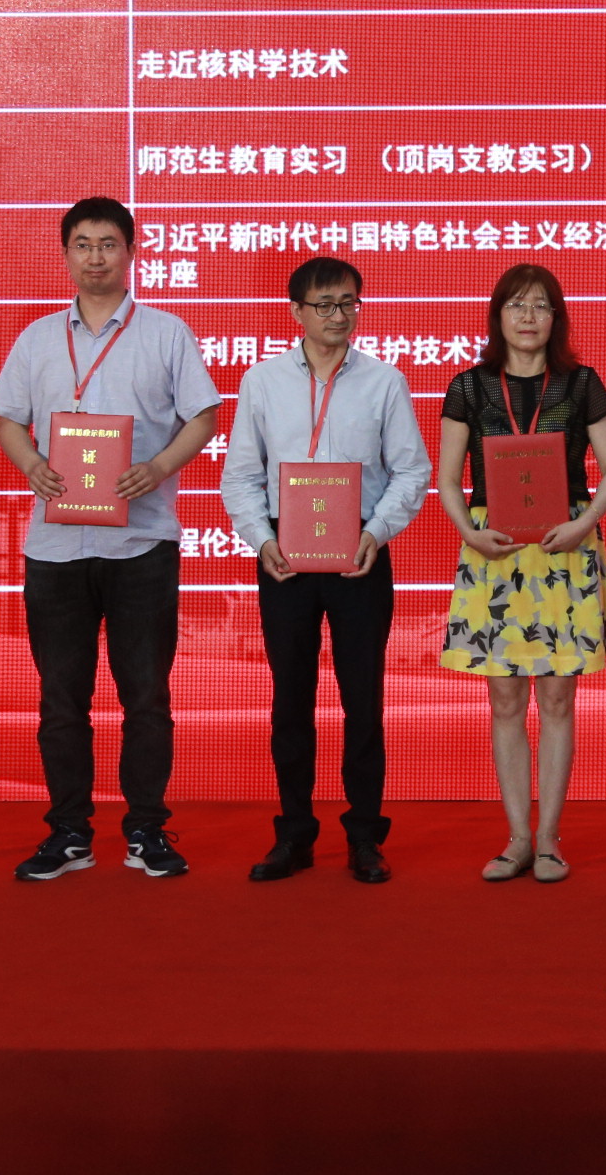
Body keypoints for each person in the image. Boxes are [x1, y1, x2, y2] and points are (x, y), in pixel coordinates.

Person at [0, 197, 221, 883]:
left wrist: (159, 468)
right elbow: (7, 420)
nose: (96, 256)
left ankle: (146, 828)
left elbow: (204, 416)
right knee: (62, 700)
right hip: (55, 549)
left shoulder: (166, 333)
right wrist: (32, 465)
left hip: (141, 544)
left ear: (130, 252)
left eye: (108, 243)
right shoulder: (36, 338)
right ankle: (68, 833)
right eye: (83, 244)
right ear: (66, 255)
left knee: (146, 697)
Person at [219, 255, 430, 885]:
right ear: (297, 312)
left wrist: (374, 533)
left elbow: (412, 471)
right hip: (285, 557)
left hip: (360, 555)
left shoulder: (384, 382)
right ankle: (294, 834)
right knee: (291, 699)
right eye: (325, 305)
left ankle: (364, 836)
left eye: (348, 303)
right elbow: (241, 475)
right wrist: (261, 540)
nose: (339, 316)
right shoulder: (262, 382)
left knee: (363, 699)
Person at [435, 264, 606, 883]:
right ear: (498, 316)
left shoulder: (580, 383)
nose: (527, 317)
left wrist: (582, 524)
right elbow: (448, 478)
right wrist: (469, 533)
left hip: (564, 546)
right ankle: (516, 837)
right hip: (494, 549)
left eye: (541, 306)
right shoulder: (469, 386)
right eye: (516, 305)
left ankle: (548, 840)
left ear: (555, 318)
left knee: (559, 697)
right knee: (505, 697)